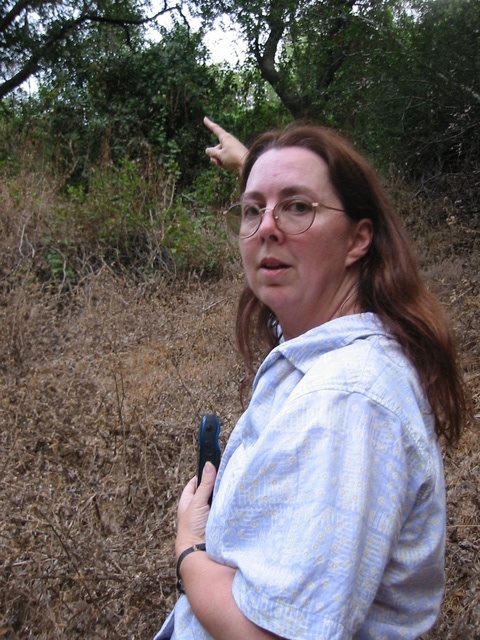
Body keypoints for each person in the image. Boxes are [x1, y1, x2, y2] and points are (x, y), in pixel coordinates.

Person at [153, 118, 470, 639]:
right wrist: (251, 164)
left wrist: (189, 549)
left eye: (298, 207)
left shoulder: (346, 400)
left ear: (357, 239)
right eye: (252, 210)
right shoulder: (328, 342)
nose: (267, 227)